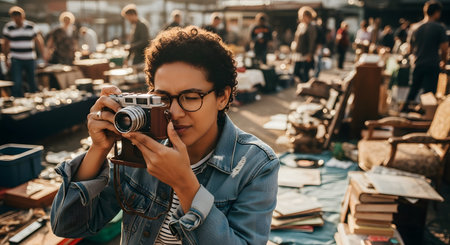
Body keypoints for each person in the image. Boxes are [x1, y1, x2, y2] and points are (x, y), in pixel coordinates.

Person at [50, 26, 279, 244]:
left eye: (191, 97)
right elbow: (66, 226)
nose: (176, 112)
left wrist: (186, 186)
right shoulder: (142, 145)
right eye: (164, 99)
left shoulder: (255, 165)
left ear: (222, 97)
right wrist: (98, 148)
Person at [404, 0, 448, 105]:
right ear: (437, 12)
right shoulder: (440, 28)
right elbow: (444, 49)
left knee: (413, 91)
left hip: (417, 63)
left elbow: (409, 49)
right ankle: (427, 116)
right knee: (429, 95)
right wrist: (443, 61)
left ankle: (405, 111)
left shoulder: (414, 27)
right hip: (432, 64)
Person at [2, 6, 46, 97]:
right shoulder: (9, 27)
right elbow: (5, 44)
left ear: (22, 16)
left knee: (32, 81)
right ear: (12, 18)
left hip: (30, 58)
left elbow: (39, 41)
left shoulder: (30, 26)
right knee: (17, 82)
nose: (17, 19)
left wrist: (43, 55)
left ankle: (34, 100)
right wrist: (6, 58)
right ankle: (17, 101)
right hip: (16, 58)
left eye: (19, 17)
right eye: (15, 17)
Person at [291, 6, 317, 82]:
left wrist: (310, 54)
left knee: (305, 73)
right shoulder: (301, 26)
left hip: (306, 54)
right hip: (298, 53)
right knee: (296, 72)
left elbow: (312, 42)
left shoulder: (311, 27)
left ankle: (305, 88)